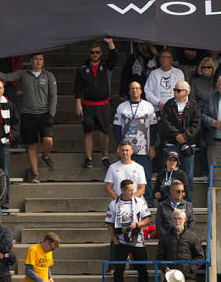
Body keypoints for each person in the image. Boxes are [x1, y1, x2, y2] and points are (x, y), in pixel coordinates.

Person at [0, 54, 57, 184]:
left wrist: (51, 114)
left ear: (43, 61)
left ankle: (46, 155)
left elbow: (53, 96)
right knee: (31, 146)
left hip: (44, 114)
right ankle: (35, 174)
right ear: (30, 61)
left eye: (41, 59)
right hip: (27, 114)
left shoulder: (49, 76)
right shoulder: (24, 74)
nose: (38, 62)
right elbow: (8, 77)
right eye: (36, 59)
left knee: (48, 140)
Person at [74, 39, 118, 169]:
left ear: (101, 53)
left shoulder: (107, 65)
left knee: (104, 132)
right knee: (88, 131)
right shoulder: (82, 68)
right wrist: (78, 103)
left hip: (104, 104)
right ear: (89, 53)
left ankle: (105, 157)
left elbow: (114, 57)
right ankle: (89, 158)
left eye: (97, 52)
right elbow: (77, 87)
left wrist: (110, 43)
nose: (95, 55)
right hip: (88, 104)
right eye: (92, 52)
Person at [112, 81, 157, 203]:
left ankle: (148, 202)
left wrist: (152, 146)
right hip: (127, 149)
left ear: (141, 91)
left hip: (143, 148)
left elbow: (153, 127)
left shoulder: (148, 106)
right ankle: (125, 200)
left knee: (145, 176)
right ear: (129, 91)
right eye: (132, 88)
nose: (134, 91)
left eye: (137, 88)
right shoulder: (122, 107)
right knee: (127, 177)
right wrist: (119, 146)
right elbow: (116, 127)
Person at [156, 81, 199, 199]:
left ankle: (187, 201)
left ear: (186, 92)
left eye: (178, 90)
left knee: (188, 174)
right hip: (172, 143)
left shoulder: (193, 105)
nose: (175, 92)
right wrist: (177, 135)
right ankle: (169, 200)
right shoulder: (169, 104)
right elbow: (165, 123)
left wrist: (185, 136)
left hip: (188, 144)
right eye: (175, 90)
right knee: (170, 172)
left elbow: (196, 125)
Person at [109, 179, 150, 281]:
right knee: (118, 271)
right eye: (130, 190)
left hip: (138, 241)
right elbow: (109, 224)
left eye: (133, 190)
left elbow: (148, 219)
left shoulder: (140, 201)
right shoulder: (113, 204)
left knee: (142, 271)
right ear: (122, 190)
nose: (133, 192)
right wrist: (116, 242)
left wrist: (137, 224)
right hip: (121, 242)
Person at [155, 209, 203, 282]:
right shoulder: (165, 237)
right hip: (170, 277)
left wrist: (190, 269)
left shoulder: (192, 236)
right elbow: (159, 257)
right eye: (175, 218)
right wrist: (165, 268)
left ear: (185, 219)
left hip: (188, 278)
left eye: (179, 218)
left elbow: (200, 256)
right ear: (172, 219)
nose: (177, 221)